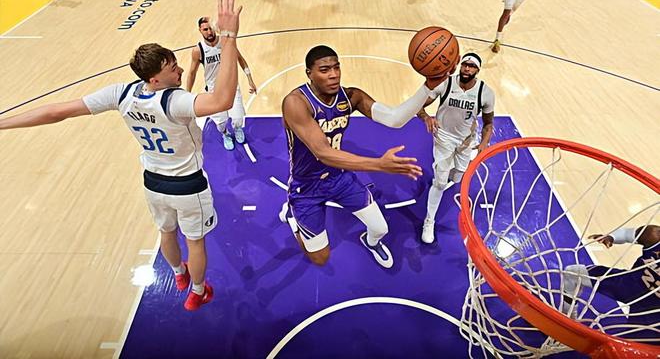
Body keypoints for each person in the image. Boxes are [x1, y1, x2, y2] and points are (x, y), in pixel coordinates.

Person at [0, 0, 243, 311]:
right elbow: (223, 99)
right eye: (173, 69)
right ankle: (198, 291)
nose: (181, 70)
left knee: (166, 232)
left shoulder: (121, 93)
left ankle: (178, 274)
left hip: (153, 183)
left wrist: (3, 123)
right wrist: (229, 37)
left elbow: (57, 111)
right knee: (195, 242)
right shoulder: (175, 101)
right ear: (155, 79)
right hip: (187, 185)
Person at [281, 45, 449, 269]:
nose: (333, 75)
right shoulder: (296, 103)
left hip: (339, 177)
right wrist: (379, 165)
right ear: (309, 74)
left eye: (336, 68)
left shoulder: (351, 97)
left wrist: (428, 87)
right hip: (307, 186)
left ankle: (371, 243)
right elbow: (323, 153)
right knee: (320, 258)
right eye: (324, 70)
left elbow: (394, 118)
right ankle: (295, 222)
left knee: (381, 228)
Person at [416, 53, 495, 244]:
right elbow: (418, 106)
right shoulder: (446, 83)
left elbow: (488, 123)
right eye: (465, 64)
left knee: (458, 176)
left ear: (477, 70)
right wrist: (426, 117)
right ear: (460, 65)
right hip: (443, 137)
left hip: (466, 140)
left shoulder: (485, 92)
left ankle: (443, 175)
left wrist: (484, 142)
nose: (467, 69)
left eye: (472, 66)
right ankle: (429, 221)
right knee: (440, 183)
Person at [561, 225, 659, 326]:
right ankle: (568, 317)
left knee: (637, 336)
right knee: (572, 274)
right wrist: (611, 237)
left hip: (652, 308)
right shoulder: (654, 235)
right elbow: (627, 234)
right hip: (628, 283)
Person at [185, 16, 257, 151]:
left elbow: (240, 59)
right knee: (221, 123)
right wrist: (187, 95)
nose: (209, 32)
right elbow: (192, 73)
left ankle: (237, 129)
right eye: (205, 29)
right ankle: (225, 134)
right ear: (200, 30)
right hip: (214, 90)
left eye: (210, 28)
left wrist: (250, 80)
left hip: (232, 86)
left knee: (238, 119)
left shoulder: (226, 43)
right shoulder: (198, 50)